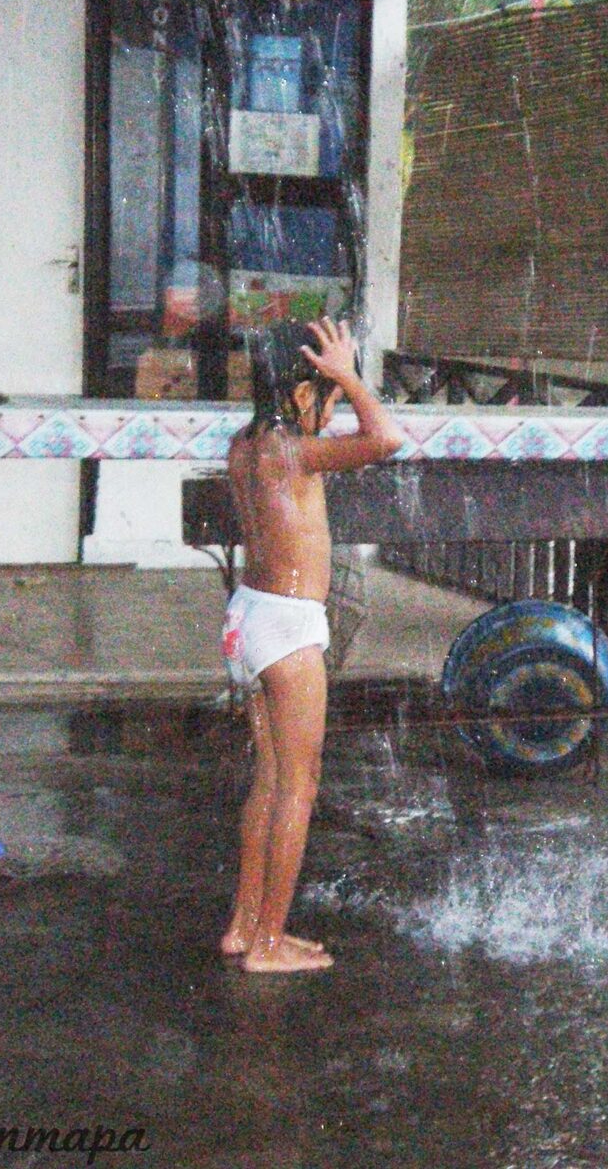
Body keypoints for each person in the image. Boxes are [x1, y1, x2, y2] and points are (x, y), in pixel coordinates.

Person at [219, 315, 405, 973]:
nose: (333, 408)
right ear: (303, 394)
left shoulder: (247, 445)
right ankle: (269, 943)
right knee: (300, 784)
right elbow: (386, 438)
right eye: (326, 396)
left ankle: (245, 925)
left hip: (251, 616)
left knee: (269, 780)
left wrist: (335, 378)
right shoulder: (292, 451)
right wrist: (351, 375)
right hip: (288, 627)